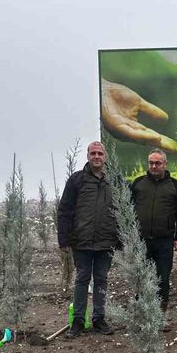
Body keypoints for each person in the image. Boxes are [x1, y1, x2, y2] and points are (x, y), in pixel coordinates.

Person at [57, 141, 120, 336]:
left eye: (100, 153)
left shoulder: (115, 180)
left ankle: (99, 319)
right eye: (93, 153)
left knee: (101, 280)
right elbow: (65, 210)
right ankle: (78, 321)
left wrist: (122, 239)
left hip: (106, 241)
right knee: (82, 279)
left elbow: (124, 210)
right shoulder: (77, 180)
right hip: (81, 241)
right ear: (87, 156)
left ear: (105, 156)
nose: (96, 157)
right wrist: (64, 240)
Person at [130, 148, 177, 326]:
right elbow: (128, 211)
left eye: (158, 163)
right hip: (141, 241)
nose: (154, 166)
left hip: (164, 241)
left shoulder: (174, 186)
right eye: (151, 163)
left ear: (165, 164)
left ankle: (159, 317)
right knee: (142, 279)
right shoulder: (138, 183)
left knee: (162, 279)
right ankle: (142, 316)